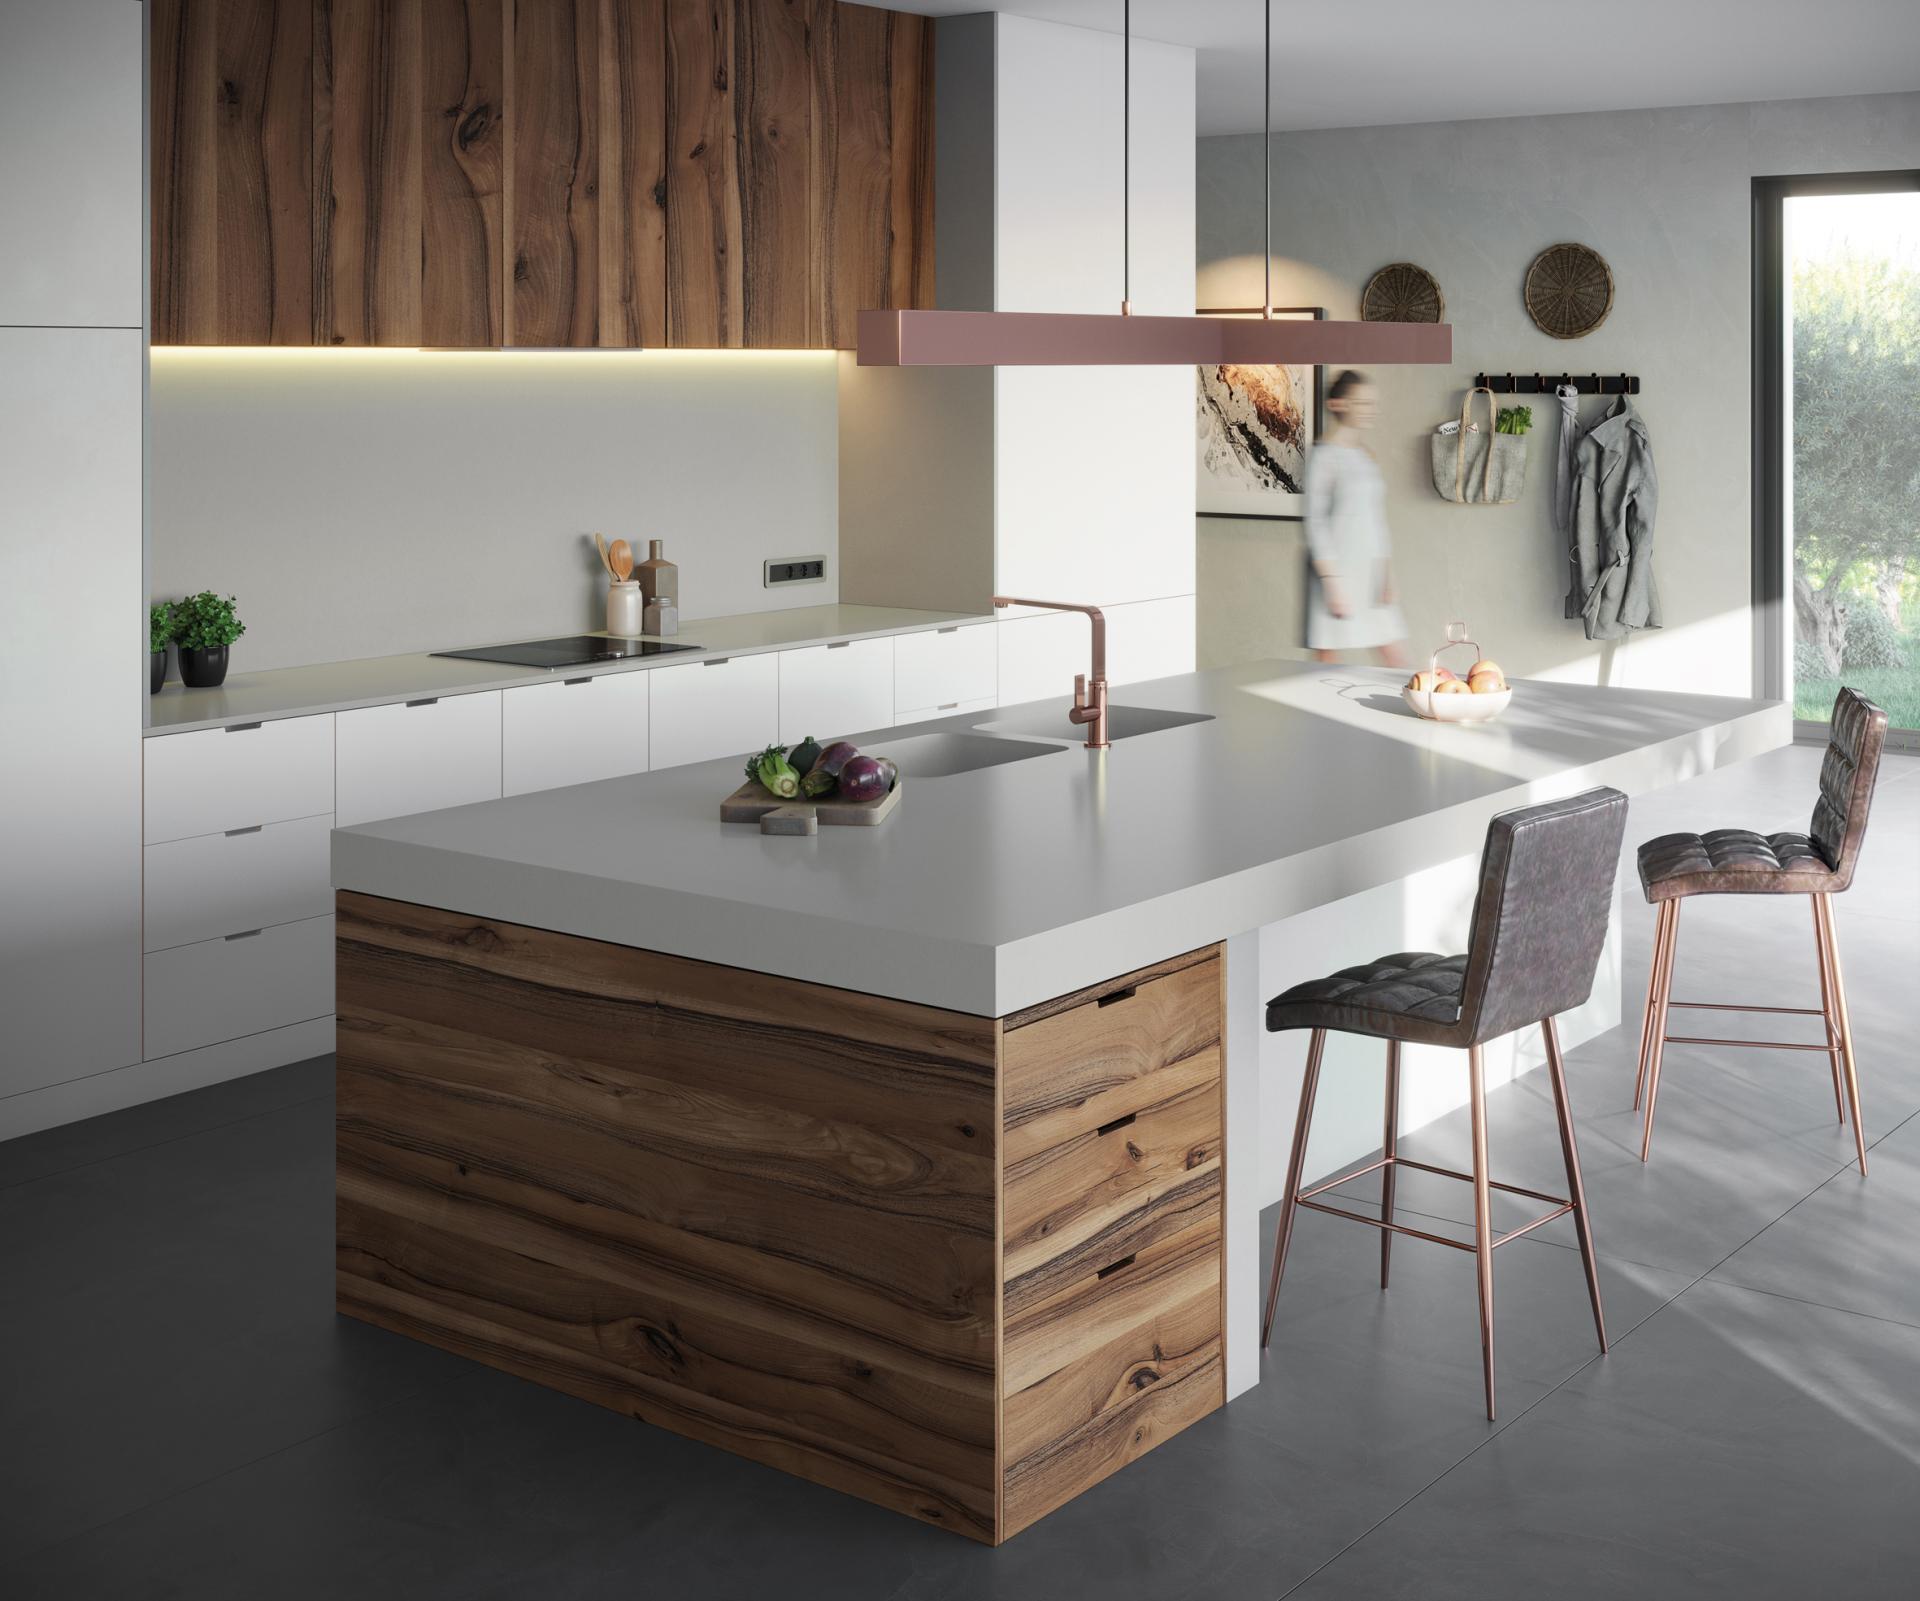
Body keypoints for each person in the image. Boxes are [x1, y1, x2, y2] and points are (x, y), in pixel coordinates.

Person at [1303, 370, 1408, 667]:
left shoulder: (1365, 457)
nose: (1369, 410)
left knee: (1395, 656)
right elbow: (1316, 524)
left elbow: (1377, 522)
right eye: (1361, 403)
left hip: (1370, 572)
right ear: (1338, 404)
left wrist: (1389, 575)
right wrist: (1332, 583)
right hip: (1336, 571)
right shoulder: (1323, 457)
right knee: (1327, 657)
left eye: (1371, 403)